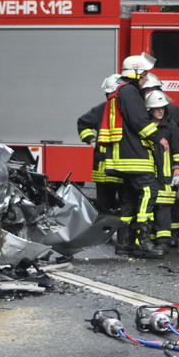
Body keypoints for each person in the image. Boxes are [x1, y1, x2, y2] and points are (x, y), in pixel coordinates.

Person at [102, 54, 165, 259]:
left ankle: (124, 243)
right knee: (149, 191)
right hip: (135, 156)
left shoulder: (120, 91)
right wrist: (158, 139)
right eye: (145, 74)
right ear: (136, 72)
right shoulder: (129, 92)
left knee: (128, 198)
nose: (147, 78)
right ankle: (144, 243)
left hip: (123, 156)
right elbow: (139, 121)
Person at [140, 73, 179, 247]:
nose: (160, 110)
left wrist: (176, 140)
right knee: (151, 206)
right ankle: (151, 236)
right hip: (150, 171)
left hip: (168, 171)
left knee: (166, 205)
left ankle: (166, 239)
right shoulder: (142, 119)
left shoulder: (169, 120)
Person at [76, 74, 124, 241]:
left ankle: (119, 234)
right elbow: (83, 123)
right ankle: (106, 235)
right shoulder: (101, 110)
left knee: (122, 204)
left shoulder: (127, 109)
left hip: (120, 168)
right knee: (105, 205)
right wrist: (91, 139)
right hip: (106, 169)